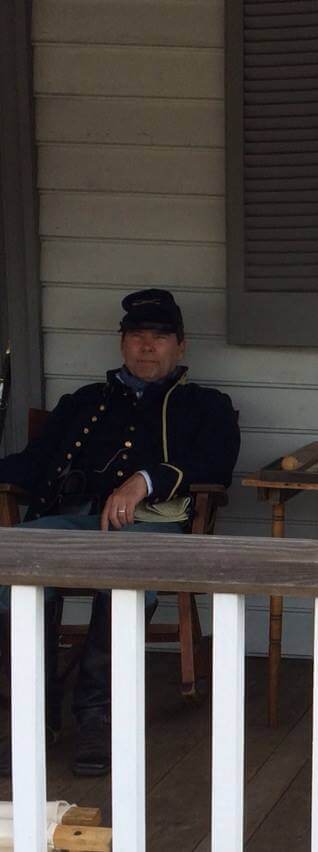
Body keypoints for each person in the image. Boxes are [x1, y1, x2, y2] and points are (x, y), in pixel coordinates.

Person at [0, 288, 240, 776]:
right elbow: (32, 464)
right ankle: (32, 719)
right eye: (136, 336)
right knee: (17, 567)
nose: (147, 346)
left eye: (159, 337)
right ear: (122, 343)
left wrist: (145, 480)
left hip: (151, 528)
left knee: (127, 575)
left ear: (181, 345)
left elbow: (216, 463)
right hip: (73, 522)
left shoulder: (205, 406)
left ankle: (97, 718)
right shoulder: (84, 403)